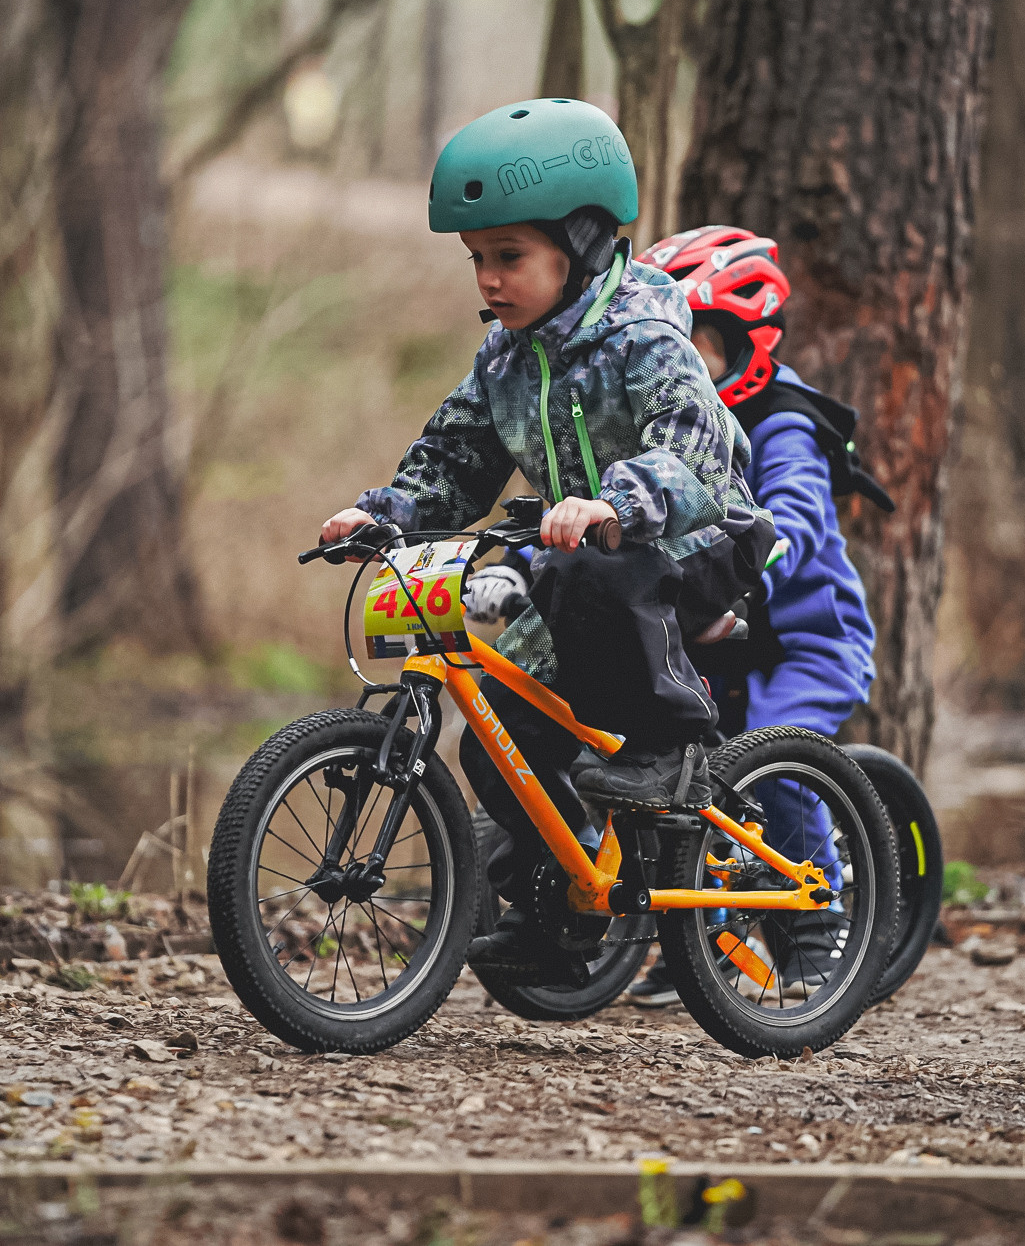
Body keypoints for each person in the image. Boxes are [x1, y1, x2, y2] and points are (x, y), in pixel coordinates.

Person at [318, 100, 775, 984]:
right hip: (583, 560)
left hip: (697, 534)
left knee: (589, 568)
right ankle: (556, 912)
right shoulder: (502, 358)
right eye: (478, 260)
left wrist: (617, 502)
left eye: (510, 257)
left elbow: (694, 444)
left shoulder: (645, 335)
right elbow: (455, 460)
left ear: (586, 244)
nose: (488, 280)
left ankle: (663, 748)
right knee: (498, 735)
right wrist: (386, 514)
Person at [474, 226, 890, 1005]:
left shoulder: (782, 421)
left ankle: (819, 927)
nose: (686, 359)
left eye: (703, 345)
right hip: (713, 638)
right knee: (670, 765)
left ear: (748, 342)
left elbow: (789, 519)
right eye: (679, 341)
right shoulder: (640, 404)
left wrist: (746, 579)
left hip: (803, 641)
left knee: (776, 761)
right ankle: (696, 935)